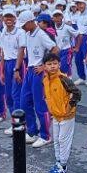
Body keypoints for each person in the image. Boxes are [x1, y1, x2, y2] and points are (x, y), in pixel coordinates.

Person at [17, 10, 59, 148]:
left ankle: (45, 135)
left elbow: (55, 49)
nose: (22, 27)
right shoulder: (28, 34)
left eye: (24, 24)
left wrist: (44, 66)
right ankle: (32, 131)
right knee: (24, 102)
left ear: (30, 22)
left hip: (38, 72)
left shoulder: (40, 34)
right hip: (30, 70)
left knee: (40, 104)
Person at [42, 52, 82, 173]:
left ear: (59, 64)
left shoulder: (63, 79)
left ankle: (63, 166)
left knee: (64, 141)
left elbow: (76, 93)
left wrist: (69, 107)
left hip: (66, 116)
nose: (52, 66)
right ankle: (58, 162)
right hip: (56, 116)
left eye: (55, 63)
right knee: (57, 140)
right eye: (49, 64)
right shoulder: (45, 80)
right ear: (44, 66)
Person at [0, 9, 26, 135]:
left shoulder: (20, 32)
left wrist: (16, 69)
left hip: (17, 63)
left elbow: (21, 50)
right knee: (8, 95)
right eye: (6, 17)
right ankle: (15, 120)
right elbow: (2, 52)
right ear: (3, 19)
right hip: (7, 63)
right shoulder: (3, 31)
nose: (8, 19)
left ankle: (20, 122)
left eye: (10, 17)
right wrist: (2, 71)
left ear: (15, 19)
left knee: (16, 95)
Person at [52, 10, 79, 77]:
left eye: (59, 16)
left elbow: (78, 35)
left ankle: (69, 81)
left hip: (66, 50)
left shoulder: (67, 27)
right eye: (55, 16)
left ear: (62, 17)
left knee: (65, 67)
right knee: (57, 67)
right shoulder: (52, 28)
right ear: (53, 18)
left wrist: (76, 47)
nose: (57, 18)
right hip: (56, 51)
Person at [72, 0, 87, 86]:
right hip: (79, 37)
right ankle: (81, 77)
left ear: (85, 4)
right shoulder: (78, 15)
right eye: (77, 4)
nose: (79, 6)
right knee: (77, 58)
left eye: (81, 4)